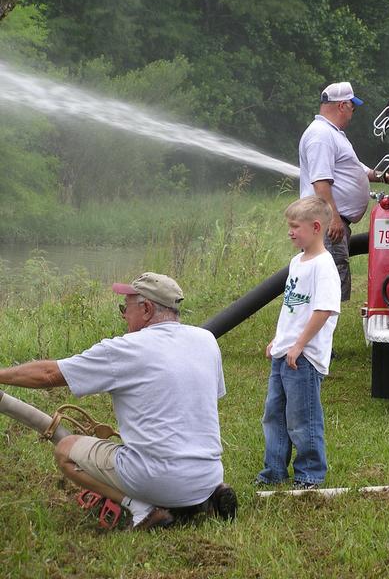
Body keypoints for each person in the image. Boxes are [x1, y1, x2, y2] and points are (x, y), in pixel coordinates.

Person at [0, 271, 237, 530]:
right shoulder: (206, 340)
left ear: (146, 308)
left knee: (65, 450)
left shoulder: (126, 349)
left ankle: (143, 509)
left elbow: (48, 375)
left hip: (155, 478)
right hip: (208, 475)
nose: (124, 315)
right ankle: (209, 500)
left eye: (126, 307)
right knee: (174, 472)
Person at [256, 196, 341, 488]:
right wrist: (279, 341)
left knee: (302, 418)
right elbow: (292, 308)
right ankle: (274, 472)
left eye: (295, 227)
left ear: (316, 227)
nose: (290, 232)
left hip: (303, 359)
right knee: (275, 415)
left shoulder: (324, 266)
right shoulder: (297, 262)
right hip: (286, 353)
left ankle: (310, 475)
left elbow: (323, 309)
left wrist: (299, 345)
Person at [299, 81, 389, 301]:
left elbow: (358, 169)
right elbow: (321, 182)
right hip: (324, 221)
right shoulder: (320, 135)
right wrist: (333, 218)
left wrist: (388, 178)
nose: (353, 113)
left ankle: (323, 326)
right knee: (327, 281)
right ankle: (321, 328)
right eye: (352, 107)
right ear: (342, 105)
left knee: (333, 274)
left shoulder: (333, 134)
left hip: (329, 220)